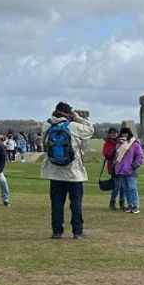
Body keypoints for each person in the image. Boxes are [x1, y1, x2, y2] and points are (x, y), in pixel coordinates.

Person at [41, 101, 94, 239]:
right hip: (73, 173)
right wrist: (77, 117)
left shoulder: (46, 125)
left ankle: (57, 231)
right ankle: (77, 231)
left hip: (54, 172)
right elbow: (90, 129)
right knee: (75, 204)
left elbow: (44, 145)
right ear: (69, 113)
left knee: (57, 204)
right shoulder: (73, 126)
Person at [113, 127, 144, 214]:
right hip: (121, 170)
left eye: (126, 133)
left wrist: (134, 166)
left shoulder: (134, 144)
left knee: (132, 188)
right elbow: (116, 157)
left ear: (129, 134)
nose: (124, 135)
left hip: (130, 170)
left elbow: (140, 156)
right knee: (126, 189)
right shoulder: (118, 144)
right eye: (123, 133)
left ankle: (135, 206)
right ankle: (130, 205)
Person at [102, 127, 125, 211]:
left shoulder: (122, 142)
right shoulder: (107, 143)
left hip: (122, 166)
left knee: (123, 187)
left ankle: (122, 203)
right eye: (111, 133)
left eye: (115, 133)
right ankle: (112, 203)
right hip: (113, 167)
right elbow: (106, 155)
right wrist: (115, 147)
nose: (113, 134)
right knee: (117, 186)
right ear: (109, 134)